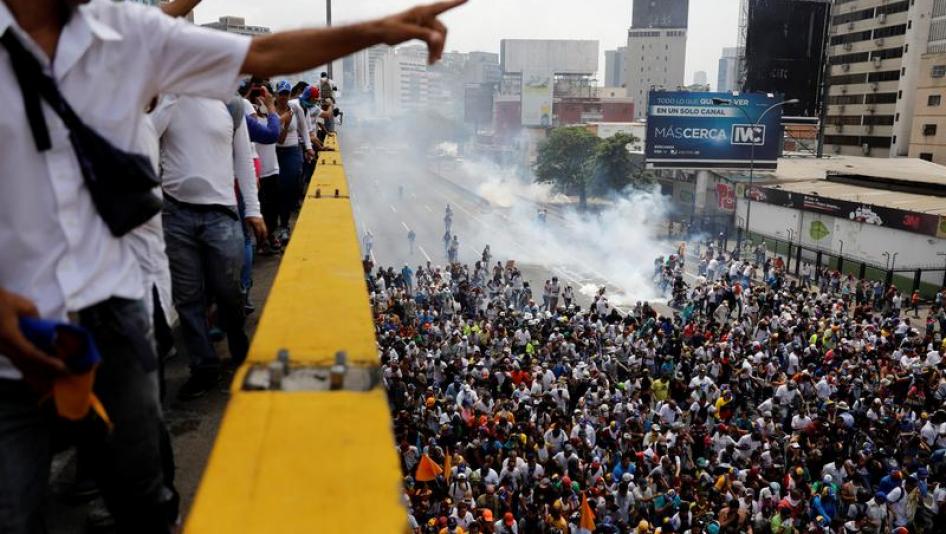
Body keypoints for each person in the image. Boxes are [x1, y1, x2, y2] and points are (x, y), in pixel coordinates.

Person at [0, 0, 466, 531]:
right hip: (10, 343)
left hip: (114, 318)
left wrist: (380, 30)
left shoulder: (124, 33)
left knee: (143, 501)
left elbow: (266, 51)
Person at [273, 79, 313, 246]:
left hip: (291, 152)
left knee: (291, 188)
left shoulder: (295, 108)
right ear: (277, 94)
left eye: (286, 94)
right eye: (281, 93)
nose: (283, 97)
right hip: (274, 152)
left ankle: (284, 225)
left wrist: (308, 148)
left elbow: (303, 129)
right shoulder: (270, 110)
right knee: (276, 190)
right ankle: (276, 226)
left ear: (289, 95)